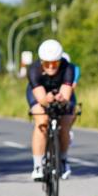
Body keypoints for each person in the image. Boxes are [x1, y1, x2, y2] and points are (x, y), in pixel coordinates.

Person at [26, 39, 75, 181]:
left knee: (66, 122)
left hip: (59, 92)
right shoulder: (34, 70)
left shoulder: (68, 68)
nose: (51, 67)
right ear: (41, 62)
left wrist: (61, 98)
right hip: (39, 92)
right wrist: (46, 99)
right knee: (42, 121)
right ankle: (37, 166)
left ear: (60, 61)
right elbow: (41, 98)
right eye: (47, 63)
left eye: (55, 63)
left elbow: (66, 94)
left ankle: (63, 160)